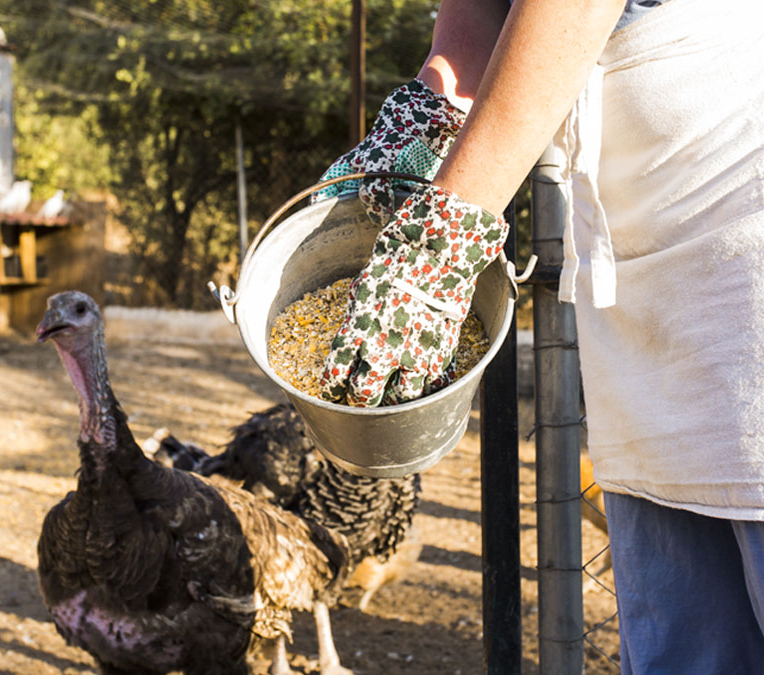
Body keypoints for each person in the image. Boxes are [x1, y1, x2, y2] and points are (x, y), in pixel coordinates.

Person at [314, 0, 764, 671]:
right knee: (687, 645)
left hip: (739, 220)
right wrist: (436, 105)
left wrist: (445, 230)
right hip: (639, 279)